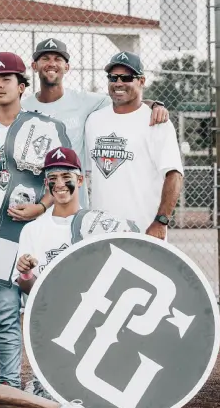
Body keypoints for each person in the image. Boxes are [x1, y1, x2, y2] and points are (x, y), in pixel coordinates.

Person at [0, 52, 71, 387]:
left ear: (22, 86)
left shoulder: (45, 128)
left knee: (48, 317)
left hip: (38, 237)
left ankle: (47, 386)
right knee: (5, 319)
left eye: (6, 79)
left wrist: (43, 206)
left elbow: (65, 178)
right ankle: (9, 389)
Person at [22, 37, 169, 185]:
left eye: (58, 59)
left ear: (66, 67)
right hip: (36, 190)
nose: (52, 63)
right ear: (34, 66)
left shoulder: (84, 101)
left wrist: (154, 105)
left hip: (73, 194)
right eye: (45, 58)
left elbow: (125, 102)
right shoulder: (23, 107)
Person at [84, 52, 184, 239]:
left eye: (126, 78)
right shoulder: (94, 120)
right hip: (100, 232)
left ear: (142, 81)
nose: (118, 83)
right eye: (113, 77)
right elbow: (88, 174)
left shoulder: (157, 122)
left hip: (144, 229)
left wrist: (161, 221)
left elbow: (174, 175)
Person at [16, 146, 141, 290]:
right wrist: (26, 273)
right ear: (46, 184)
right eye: (53, 178)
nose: (59, 184)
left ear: (80, 180)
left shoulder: (97, 224)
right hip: (50, 304)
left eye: (66, 177)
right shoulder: (32, 230)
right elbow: (29, 290)